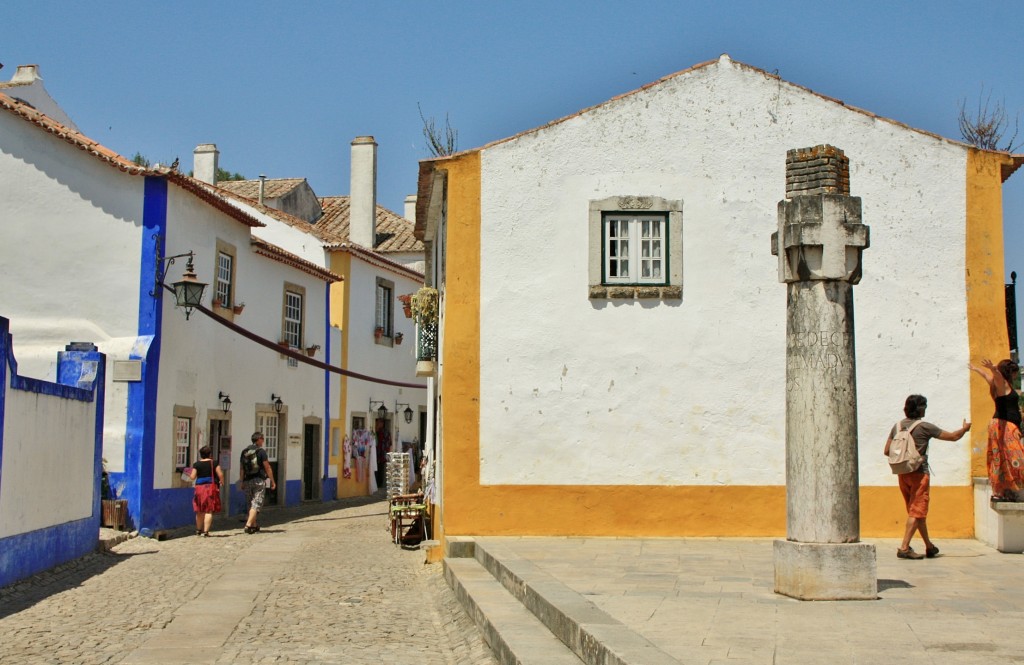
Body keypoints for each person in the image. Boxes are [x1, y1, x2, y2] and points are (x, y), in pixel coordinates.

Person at [884, 394, 970, 560]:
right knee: (916, 512)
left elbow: (887, 450)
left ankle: (929, 547)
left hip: (902, 473)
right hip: (919, 473)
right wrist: (965, 428)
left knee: (917, 512)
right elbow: (953, 437)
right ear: (920, 408)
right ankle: (904, 548)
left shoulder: (897, 426)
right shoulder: (925, 427)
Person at [969, 358, 1024, 502]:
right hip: (1004, 425)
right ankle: (1010, 490)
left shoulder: (997, 384)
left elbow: (987, 376)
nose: (1015, 376)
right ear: (1009, 372)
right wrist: (994, 369)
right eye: (1014, 373)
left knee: (1002, 459)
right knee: (1016, 457)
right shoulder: (1002, 384)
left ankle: (1004, 491)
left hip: (1002, 425)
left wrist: (977, 369)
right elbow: (996, 377)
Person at [239, 431, 276, 534]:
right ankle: (248, 525)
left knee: (250, 503)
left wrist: (242, 481)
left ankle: (254, 526)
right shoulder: (261, 452)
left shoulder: (244, 451)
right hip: (259, 480)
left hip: (247, 480)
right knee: (256, 503)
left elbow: (242, 468)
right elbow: (267, 467)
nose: (263, 441)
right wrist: (272, 481)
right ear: (259, 439)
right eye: (262, 439)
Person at [189, 445, 224, 536]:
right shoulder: (214, 463)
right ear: (210, 454)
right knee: (209, 510)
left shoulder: (196, 464)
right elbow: (220, 474)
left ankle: (198, 530)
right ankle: (206, 531)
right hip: (210, 488)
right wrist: (222, 482)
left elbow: (192, 477)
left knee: (199, 510)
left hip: (199, 488)